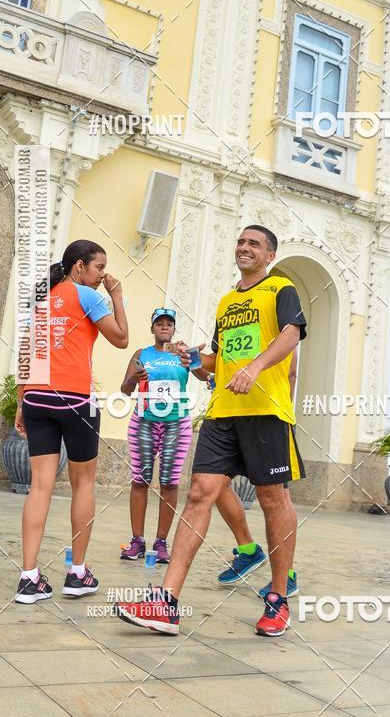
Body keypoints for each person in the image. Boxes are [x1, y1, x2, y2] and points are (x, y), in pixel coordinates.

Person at [117, 225, 306, 637]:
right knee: (201, 492)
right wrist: (192, 359)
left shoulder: (281, 289)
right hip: (223, 412)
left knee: (273, 499)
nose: (244, 247)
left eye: (254, 243)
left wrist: (254, 368)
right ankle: (165, 603)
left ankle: (278, 598)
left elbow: (291, 335)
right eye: (240, 241)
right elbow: (214, 361)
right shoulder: (226, 301)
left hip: (266, 412)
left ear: (269, 254)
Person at [14, 240, 128, 604]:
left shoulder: (43, 298)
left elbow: (26, 352)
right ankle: (77, 573)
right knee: (84, 484)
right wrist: (118, 296)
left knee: (40, 486)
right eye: (98, 268)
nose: (102, 275)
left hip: (36, 397)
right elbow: (122, 340)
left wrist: (21, 403)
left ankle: (29, 578)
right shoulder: (89, 296)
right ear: (79, 267)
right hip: (76, 400)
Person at [119, 308, 208, 563]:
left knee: (169, 482)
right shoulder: (142, 354)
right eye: (160, 323)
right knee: (140, 480)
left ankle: (161, 542)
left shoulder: (181, 353)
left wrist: (193, 358)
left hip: (175, 424)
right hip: (144, 422)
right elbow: (125, 389)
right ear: (152, 329)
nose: (165, 327)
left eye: (169, 324)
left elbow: (204, 377)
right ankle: (137, 541)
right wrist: (134, 379)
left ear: (174, 329)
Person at [215, 347, 299, 598]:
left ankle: (288, 575)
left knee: (278, 496)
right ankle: (248, 549)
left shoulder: (282, 323)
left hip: (270, 415)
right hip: (233, 414)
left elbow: (292, 372)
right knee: (212, 484)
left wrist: (283, 409)